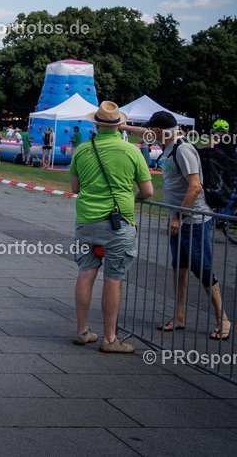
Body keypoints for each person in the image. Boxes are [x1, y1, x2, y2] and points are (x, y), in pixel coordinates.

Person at [128, 111, 230, 340]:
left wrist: (178, 217)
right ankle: (180, 317)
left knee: (201, 269)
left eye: (151, 130)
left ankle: (223, 319)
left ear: (158, 131)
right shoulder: (169, 143)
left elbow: (195, 187)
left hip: (194, 221)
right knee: (179, 267)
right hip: (181, 219)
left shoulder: (183, 149)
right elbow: (143, 132)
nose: (148, 133)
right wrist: (122, 127)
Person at [70, 101, 154, 353]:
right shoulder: (131, 151)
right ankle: (109, 339)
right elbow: (148, 191)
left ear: (95, 123)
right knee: (113, 279)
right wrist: (130, 196)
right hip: (118, 224)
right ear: (120, 125)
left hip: (86, 221)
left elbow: (75, 189)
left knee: (86, 272)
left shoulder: (82, 150)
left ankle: (82, 331)